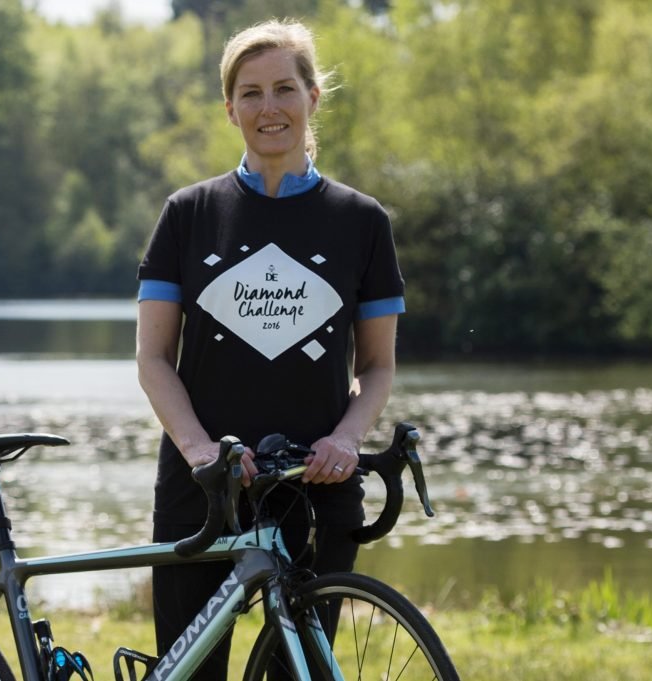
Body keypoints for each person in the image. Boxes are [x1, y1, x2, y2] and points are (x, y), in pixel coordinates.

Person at [135, 18, 406, 679]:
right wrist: (201, 451)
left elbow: (376, 366)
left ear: (314, 97)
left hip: (313, 483)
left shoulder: (362, 222)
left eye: (284, 88)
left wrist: (347, 437)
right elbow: (152, 360)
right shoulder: (187, 214)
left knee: (299, 672)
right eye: (250, 93)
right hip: (204, 488)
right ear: (230, 109)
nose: (269, 108)